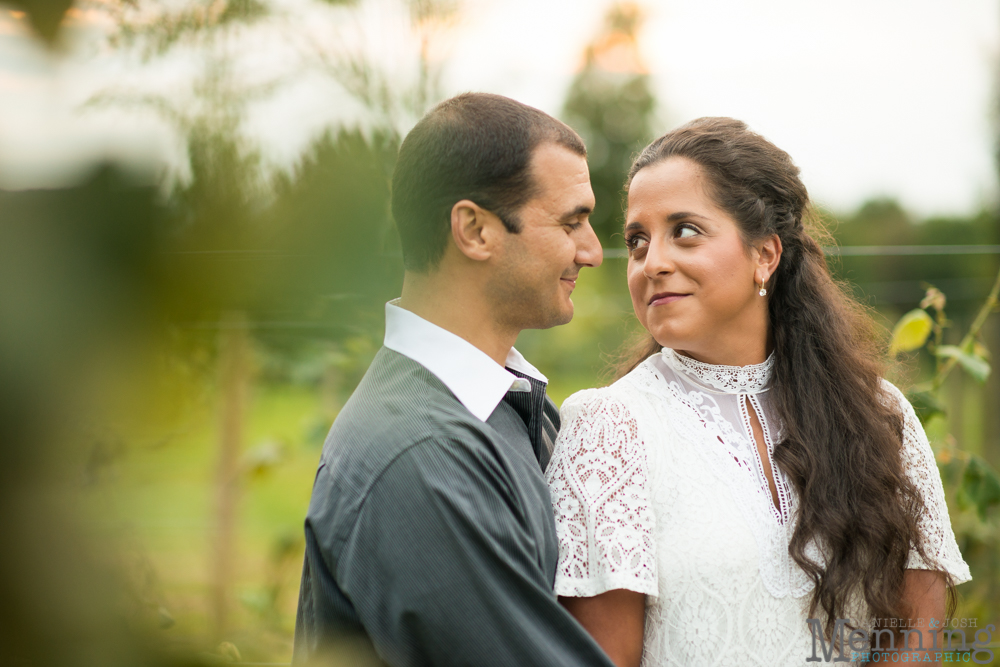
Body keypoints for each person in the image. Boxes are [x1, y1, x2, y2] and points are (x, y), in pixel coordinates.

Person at [544, 117, 972, 666]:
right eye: (637, 241)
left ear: (765, 255)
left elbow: (918, 636)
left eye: (685, 231)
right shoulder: (609, 428)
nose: (653, 263)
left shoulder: (879, 414)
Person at [292, 92, 617, 667]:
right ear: (474, 230)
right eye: (572, 222)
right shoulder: (420, 456)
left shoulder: (500, 406)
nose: (591, 252)